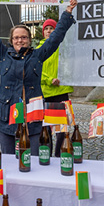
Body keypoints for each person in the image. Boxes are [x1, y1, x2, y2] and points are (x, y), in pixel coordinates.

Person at [0, 0, 78, 155]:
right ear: (11, 40)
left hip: (33, 115)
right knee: (8, 159)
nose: (20, 40)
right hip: (6, 114)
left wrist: (68, 12)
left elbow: (56, 38)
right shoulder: (3, 53)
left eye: (23, 37)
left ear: (29, 39)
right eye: (16, 38)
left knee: (33, 159)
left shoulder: (37, 55)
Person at [37, 19, 74, 157]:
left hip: (61, 92)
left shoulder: (65, 48)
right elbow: (35, 70)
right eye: (46, 29)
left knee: (61, 129)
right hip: (45, 93)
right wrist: (48, 80)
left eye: (51, 28)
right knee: (45, 128)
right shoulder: (38, 49)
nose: (48, 31)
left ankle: (59, 155)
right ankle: (45, 155)